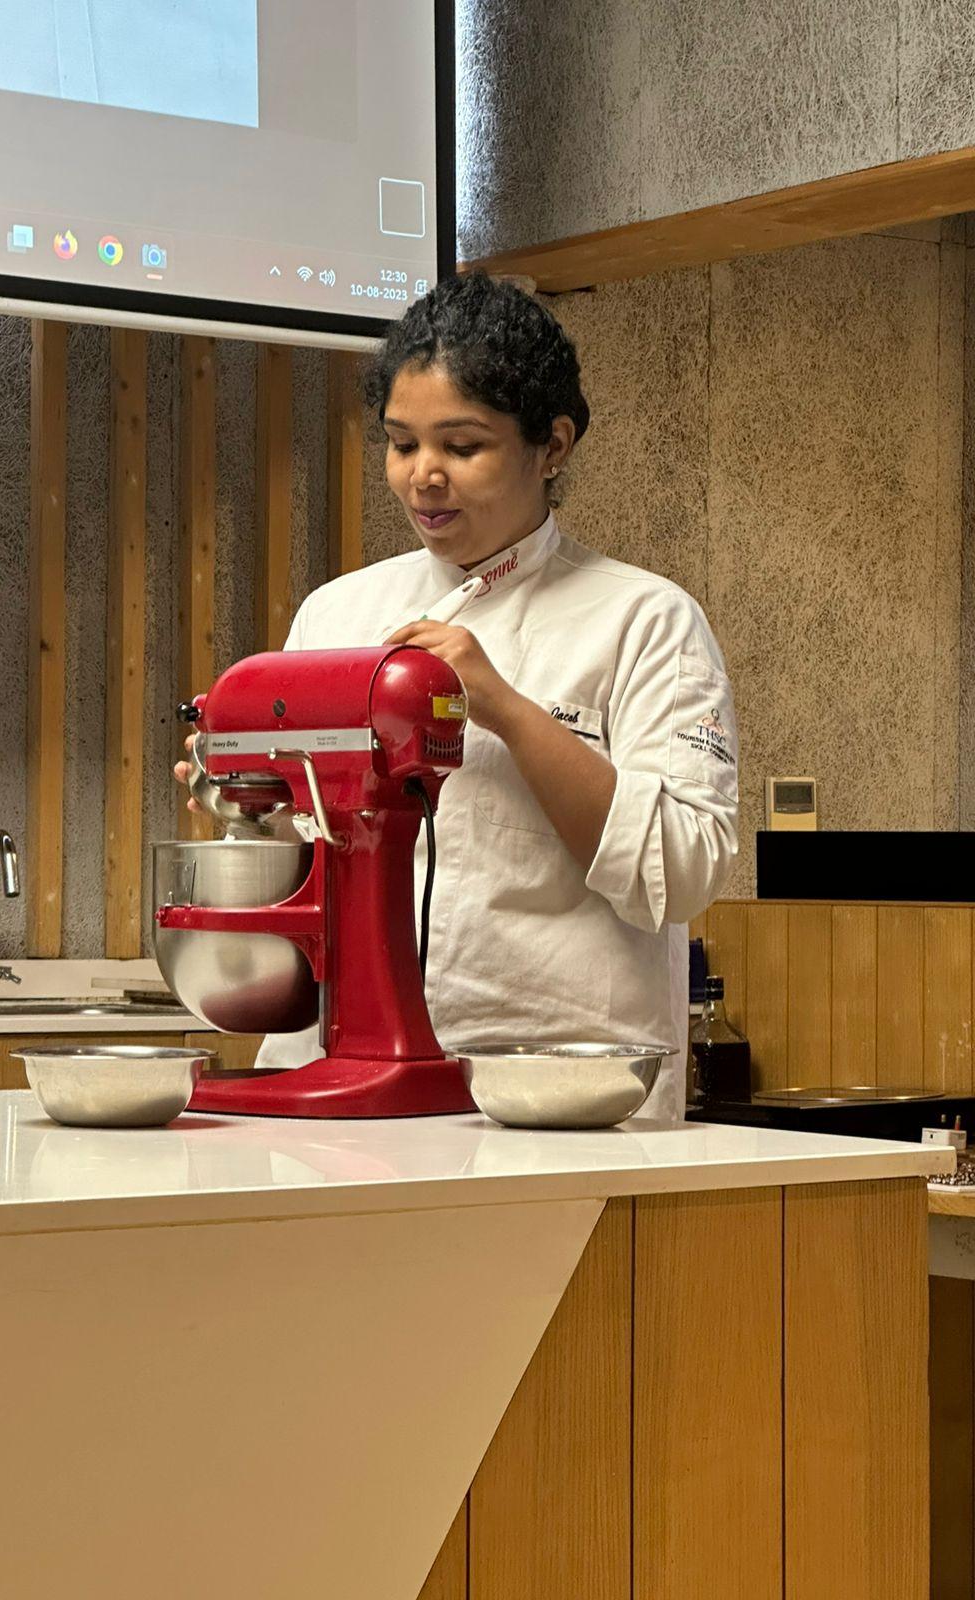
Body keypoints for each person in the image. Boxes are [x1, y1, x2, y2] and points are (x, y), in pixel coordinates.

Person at [181, 273, 739, 1119]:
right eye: (401, 444)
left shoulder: (644, 619)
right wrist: (245, 797)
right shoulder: (338, 614)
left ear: (552, 446)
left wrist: (504, 708)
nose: (423, 477)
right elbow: (311, 860)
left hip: (547, 1086)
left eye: (463, 446)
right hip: (334, 1069)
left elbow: (684, 872)